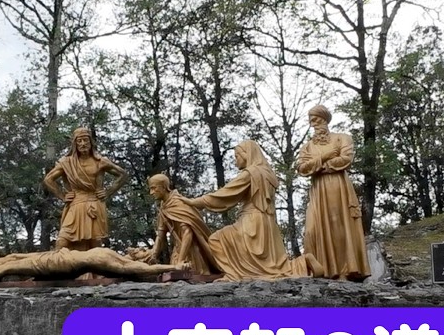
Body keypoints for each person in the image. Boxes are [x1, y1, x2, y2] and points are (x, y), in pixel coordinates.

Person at [185, 139, 322, 281]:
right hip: (268, 224)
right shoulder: (269, 175)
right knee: (272, 266)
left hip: (251, 223)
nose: (235, 161)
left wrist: (197, 202)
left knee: (216, 240)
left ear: (247, 154)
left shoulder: (250, 174)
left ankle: (234, 274)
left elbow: (225, 195)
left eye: (237, 156)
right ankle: (302, 263)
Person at [295, 105, 369, 280]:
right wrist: (325, 157)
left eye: (316, 119)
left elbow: (346, 159)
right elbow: (302, 168)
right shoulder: (307, 147)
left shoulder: (342, 138)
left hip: (337, 186)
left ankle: (343, 271)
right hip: (318, 190)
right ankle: (320, 269)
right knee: (311, 230)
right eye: (310, 120)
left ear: (325, 119)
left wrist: (320, 166)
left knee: (338, 226)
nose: (313, 124)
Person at [43, 127, 128, 251]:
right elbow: (48, 179)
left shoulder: (100, 161)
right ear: (75, 144)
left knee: (95, 244)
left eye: (85, 140)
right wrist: (62, 196)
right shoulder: (67, 163)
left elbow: (123, 175)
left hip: (94, 204)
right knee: (62, 241)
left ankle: (94, 265)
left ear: (90, 142)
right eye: (79, 141)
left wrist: (108, 192)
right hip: (76, 203)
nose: (83, 144)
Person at [0, 247, 186, 284]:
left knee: (7, 268)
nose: (137, 251)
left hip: (58, 265)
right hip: (59, 256)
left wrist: (173, 267)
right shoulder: (115, 255)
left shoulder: (116, 263)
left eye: (139, 252)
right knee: (12, 257)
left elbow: (140, 269)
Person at [131, 174, 220, 275]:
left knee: (192, 276)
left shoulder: (179, 203)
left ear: (164, 187)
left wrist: (180, 261)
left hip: (191, 252)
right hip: (178, 250)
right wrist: (153, 255)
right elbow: (160, 235)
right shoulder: (163, 207)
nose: (151, 193)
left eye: (154, 188)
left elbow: (187, 232)